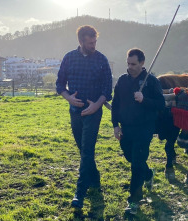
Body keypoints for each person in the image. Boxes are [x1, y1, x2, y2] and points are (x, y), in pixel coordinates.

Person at [56, 25, 112, 209]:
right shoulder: (69, 58)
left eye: (95, 41)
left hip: (93, 113)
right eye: (90, 43)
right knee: (84, 151)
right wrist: (69, 98)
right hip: (75, 112)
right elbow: (60, 85)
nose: (94, 45)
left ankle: (79, 193)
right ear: (80, 41)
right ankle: (95, 179)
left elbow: (107, 88)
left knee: (87, 151)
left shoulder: (102, 59)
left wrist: (96, 105)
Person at [111, 48, 165, 215]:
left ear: (142, 63)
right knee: (131, 158)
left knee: (136, 165)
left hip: (144, 128)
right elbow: (115, 103)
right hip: (126, 128)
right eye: (128, 63)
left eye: (133, 64)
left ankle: (133, 202)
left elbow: (161, 104)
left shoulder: (152, 81)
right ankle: (148, 174)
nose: (130, 66)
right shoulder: (122, 80)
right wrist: (115, 125)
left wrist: (144, 100)